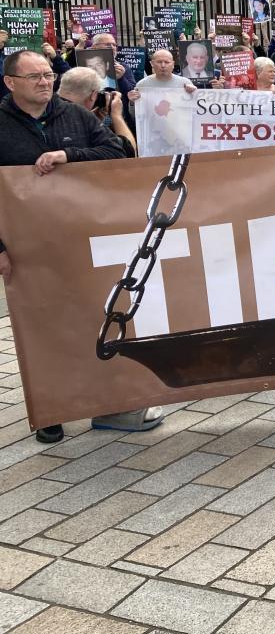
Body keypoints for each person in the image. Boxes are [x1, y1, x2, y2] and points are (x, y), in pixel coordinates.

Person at [0, 50, 159, 443]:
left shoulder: (75, 115)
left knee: (97, 318)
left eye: (47, 74)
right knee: (43, 329)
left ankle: (106, 404)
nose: (44, 81)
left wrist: (69, 156)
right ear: (10, 83)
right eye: (34, 76)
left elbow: (118, 152)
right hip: (28, 248)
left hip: (85, 240)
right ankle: (52, 410)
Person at [58, 66, 138, 156]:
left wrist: (94, 120)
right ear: (93, 95)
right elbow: (129, 151)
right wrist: (116, 116)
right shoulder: (78, 119)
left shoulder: (49, 109)